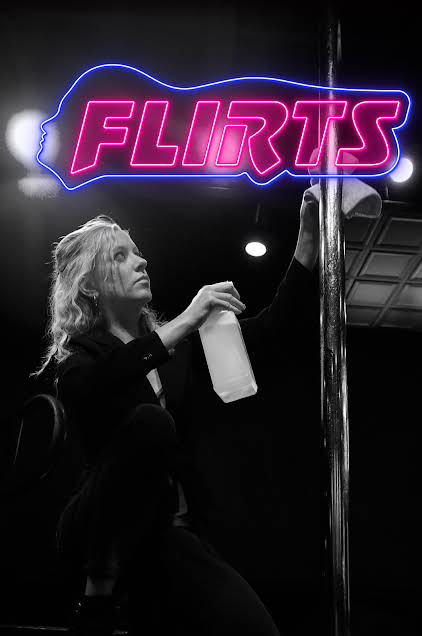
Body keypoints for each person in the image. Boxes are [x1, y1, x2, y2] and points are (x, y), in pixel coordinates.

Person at [34, 189, 319, 635]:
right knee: (150, 422)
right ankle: (98, 588)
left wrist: (309, 238)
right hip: (100, 531)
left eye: (138, 253)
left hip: (167, 534)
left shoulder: (177, 354)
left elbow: (275, 329)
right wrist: (187, 320)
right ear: (88, 285)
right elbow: (94, 384)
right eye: (121, 256)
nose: (141, 262)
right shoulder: (80, 355)